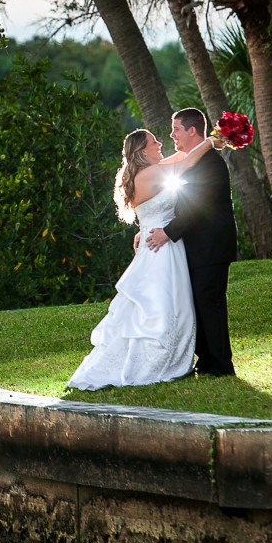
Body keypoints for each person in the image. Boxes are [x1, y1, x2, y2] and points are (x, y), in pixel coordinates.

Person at [67, 126, 222, 391]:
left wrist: (209, 142)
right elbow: (185, 162)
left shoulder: (147, 170)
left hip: (157, 241)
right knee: (162, 306)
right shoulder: (150, 173)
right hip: (161, 248)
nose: (160, 143)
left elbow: (178, 158)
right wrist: (213, 140)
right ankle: (156, 362)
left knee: (165, 304)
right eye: (154, 141)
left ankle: (176, 355)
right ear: (141, 150)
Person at [146, 108, 237, 377]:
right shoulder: (193, 159)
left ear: (192, 130)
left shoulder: (209, 162)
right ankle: (208, 359)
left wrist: (167, 232)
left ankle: (221, 364)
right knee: (199, 303)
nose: (172, 135)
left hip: (212, 246)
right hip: (198, 245)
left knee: (210, 303)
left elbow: (198, 206)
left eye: (176, 129)